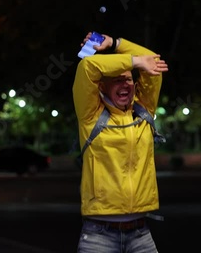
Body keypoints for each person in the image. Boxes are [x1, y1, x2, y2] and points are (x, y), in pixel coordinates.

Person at [72, 32, 168, 253]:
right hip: (98, 236)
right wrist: (133, 61)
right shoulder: (90, 115)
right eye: (116, 79)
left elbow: (153, 61)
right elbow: (87, 67)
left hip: (141, 234)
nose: (125, 84)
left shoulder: (144, 110)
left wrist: (115, 43)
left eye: (128, 78)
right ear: (102, 87)